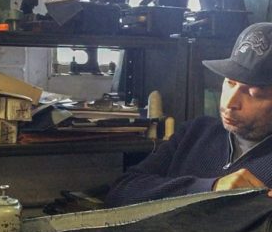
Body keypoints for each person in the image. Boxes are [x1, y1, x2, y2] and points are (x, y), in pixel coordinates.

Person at [106, 22, 272, 208]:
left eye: (253, 93)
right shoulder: (196, 132)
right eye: (230, 83)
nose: (231, 103)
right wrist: (208, 189)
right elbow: (121, 192)